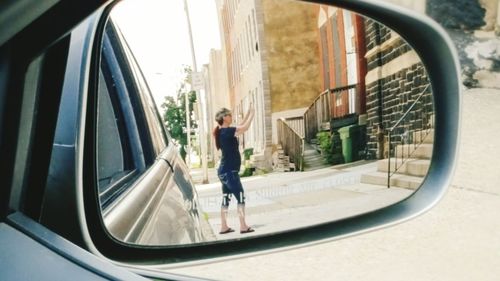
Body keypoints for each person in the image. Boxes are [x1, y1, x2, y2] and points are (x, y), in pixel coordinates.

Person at [212, 104, 255, 234]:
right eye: (229, 115)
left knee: (226, 199)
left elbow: (240, 126)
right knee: (240, 197)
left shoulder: (223, 131)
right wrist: (253, 114)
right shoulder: (227, 132)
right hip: (230, 172)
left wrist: (248, 113)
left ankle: (224, 226)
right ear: (224, 117)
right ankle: (243, 226)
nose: (231, 117)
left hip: (224, 172)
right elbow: (245, 127)